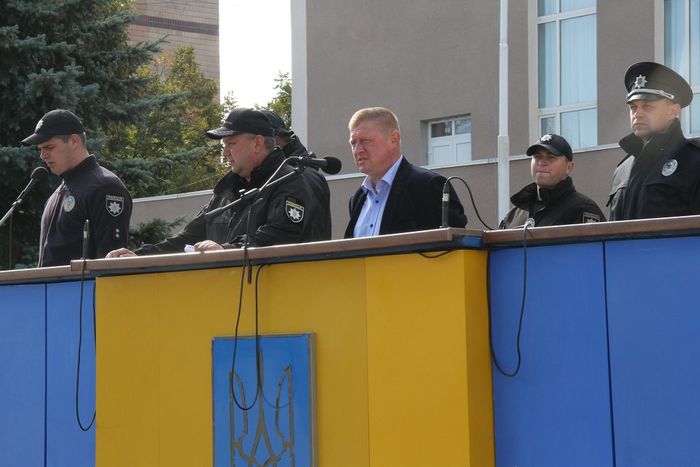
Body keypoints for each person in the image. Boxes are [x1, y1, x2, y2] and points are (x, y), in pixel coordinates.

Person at [106, 108, 329, 258]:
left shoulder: (290, 182)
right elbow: (187, 239)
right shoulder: (227, 190)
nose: (225, 153)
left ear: (258, 143)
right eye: (224, 146)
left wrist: (225, 250)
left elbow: (277, 239)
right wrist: (138, 256)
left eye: (231, 144)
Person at [20, 109, 132, 267]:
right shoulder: (57, 193)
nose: (43, 156)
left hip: (86, 284)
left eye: (49, 147)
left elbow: (111, 263)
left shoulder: (106, 187)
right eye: (41, 149)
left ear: (74, 141)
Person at [344, 107, 467, 238]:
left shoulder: (428, 186)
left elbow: (455, 243)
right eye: (353, 143)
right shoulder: (357, 198)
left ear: (394, 139)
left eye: (365, 141)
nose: (358, 150)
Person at [609, 61, 700, 220]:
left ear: (672, 111)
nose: (637, 114)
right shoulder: (622, 169)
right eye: (633, 107)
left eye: (647, 107)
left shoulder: (693, 160)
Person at [499, 134, 605, 229]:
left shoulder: (582, 209)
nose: (541, 162)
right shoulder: (514, 214)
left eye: (550, 157)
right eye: (537, 157)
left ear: (569, 167)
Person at [261, 109, 331, 239]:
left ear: (274, 140)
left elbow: (281, 236)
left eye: (257, 142)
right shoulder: (299, 172)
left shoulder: (295, 176)